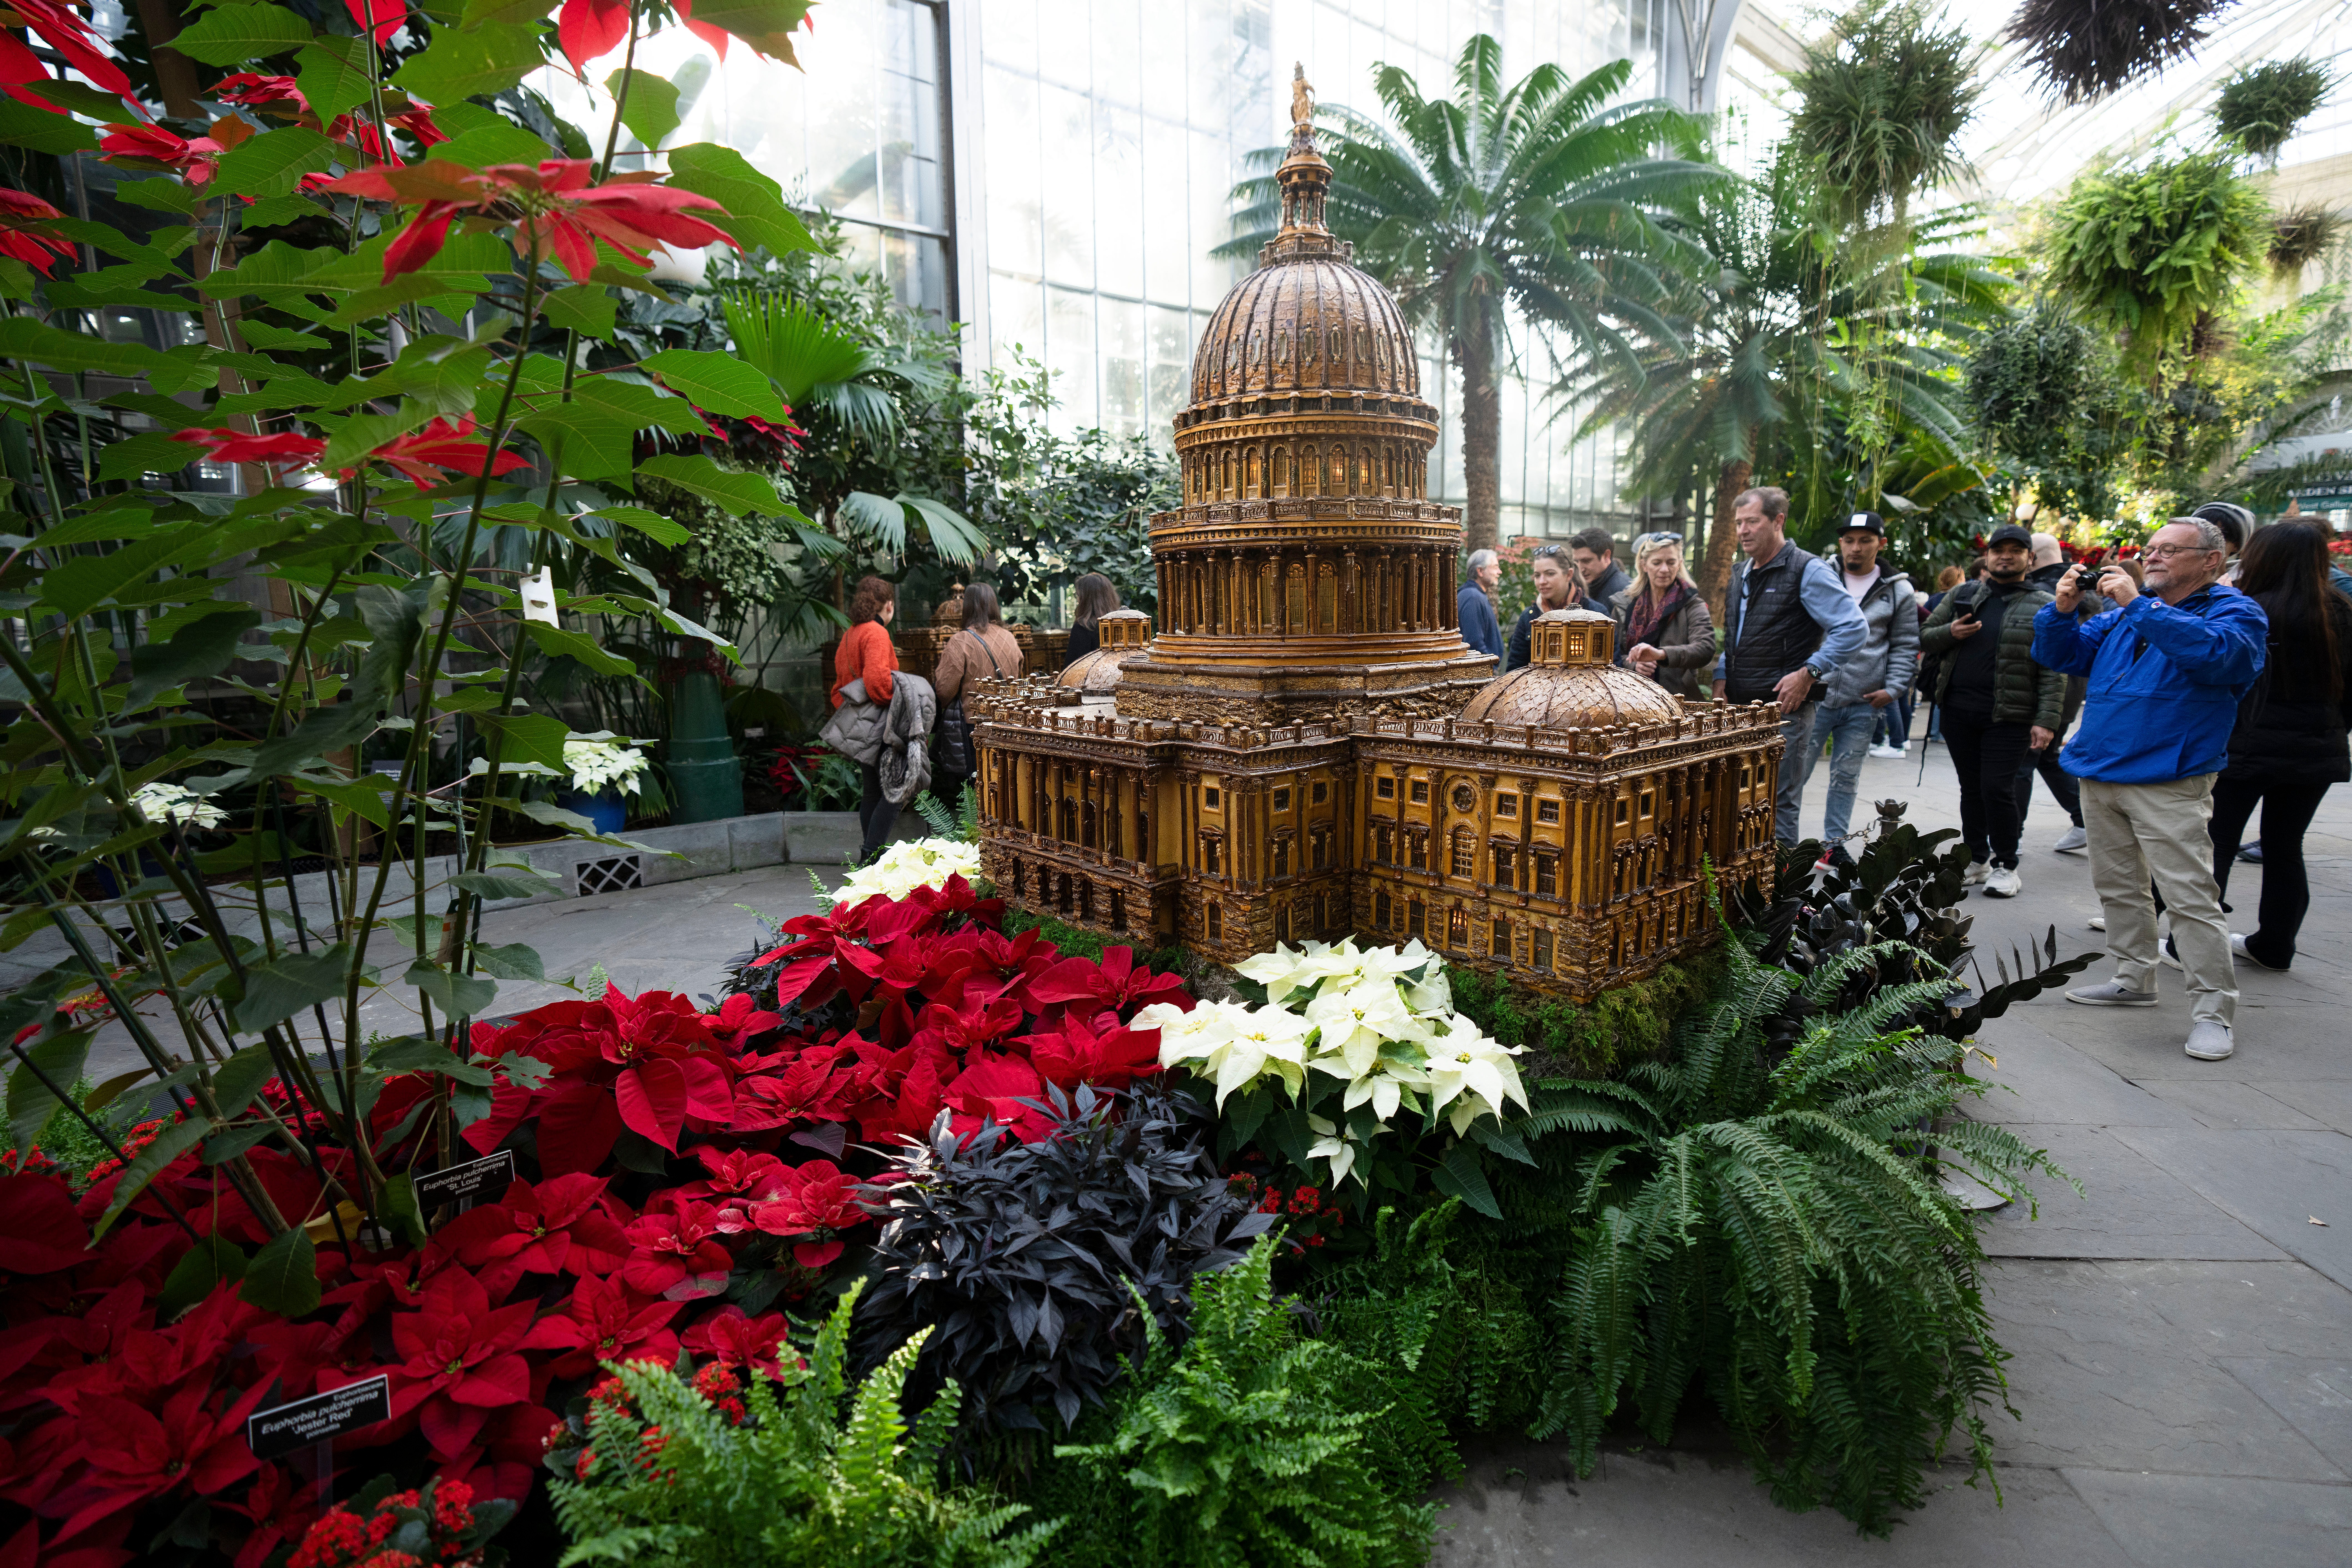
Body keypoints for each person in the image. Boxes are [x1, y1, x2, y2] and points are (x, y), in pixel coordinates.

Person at [2033, 517, 2268, 1062]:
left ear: (2211, 560)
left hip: (2170, 775)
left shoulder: (2235, 611)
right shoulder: (2123, 614)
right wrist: (2062, 609)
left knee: (2189, 896)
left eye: (2169, 549)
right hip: (2101, 767)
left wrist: (2141, 606)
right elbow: (2060, 655)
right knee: (2116, 885)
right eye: (2150, 548)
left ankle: (2213, 1011)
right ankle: (2133, 977)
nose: (2153, 556)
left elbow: (2218, 658)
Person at [2197, 520, 2352, 972]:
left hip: (2245, 743)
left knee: (2217, 842)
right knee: (2286, 847)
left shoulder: (2247, 610)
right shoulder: (2342, 612)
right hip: (2317, 749)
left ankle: (2195, 946)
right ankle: (2276, 946)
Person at [1712, 486, 1868, 844]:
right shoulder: (1741, 572)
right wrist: (1722, 673)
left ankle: (1780, 896)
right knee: (1737, 802)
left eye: (1753, 521)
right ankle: (1742, 894)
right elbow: (1736, 635)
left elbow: (1854, 627)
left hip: (1786, 711)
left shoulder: (1807, 570)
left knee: (1777, 804)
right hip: (1740, 707)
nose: (1743, 531)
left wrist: (1810, 672)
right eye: (1739, 523)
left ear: (1778, 521)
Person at [1917, 524, 2063, 897]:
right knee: (1971, 789)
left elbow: (2053, 668)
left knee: (1997, 788)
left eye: (2016, 550)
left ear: (2029, 559)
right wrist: (1952, 631)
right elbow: (1925, 637)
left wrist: (2046, 720)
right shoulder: (1964, 594)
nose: (2005, 555)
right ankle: (1976, 859)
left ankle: (2006, 864)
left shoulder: (2044, 604)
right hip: (1957, 710)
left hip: (2010, 716)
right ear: (1987, 556)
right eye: (1999, 549)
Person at [1806, 511, 1919, 862]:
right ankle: (1777, 845)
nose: (1856, 548)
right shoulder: (1821, 577)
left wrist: (1894, 688)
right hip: (1815, 696)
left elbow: (1905, 644)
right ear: (1841, 543)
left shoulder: (1898, 590)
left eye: (1866, 540)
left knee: (1846, 777)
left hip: (1863, 701)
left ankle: (1833, 846)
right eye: (1850, 540)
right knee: (1792, 774)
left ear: (1881, 544)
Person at [2020, 532, 2090, 854]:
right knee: (2046, 758)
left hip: (2050, 692)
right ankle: (2085, 819)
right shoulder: (2079, 584)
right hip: (2071, 690)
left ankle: (2010, 836)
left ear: (2031, 556)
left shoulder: (2047, 590)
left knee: (2023, 762)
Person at [831, 575, 902, 865]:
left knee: (873, 791)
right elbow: (876, 681)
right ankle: (870, 855)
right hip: (880, 724)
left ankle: (872, 858)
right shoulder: (876, 633)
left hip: (860, 725)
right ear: (888, 605)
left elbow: (838, 689)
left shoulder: (850, 634)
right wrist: (895, 700)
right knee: (896, 788)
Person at [932, 582, 1024, 805]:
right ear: (994, 605)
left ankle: (979, 834)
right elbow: (1019, 677)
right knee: (1006, 780)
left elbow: (944, 689)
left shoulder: (961, 641)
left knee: (978, 784)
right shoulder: (1010, 638)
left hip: (973, 726)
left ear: (967, 608)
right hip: (1008, 723)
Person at [1612, 535, 1715, 699]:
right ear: (1644, 565)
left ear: (1680, 564)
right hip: (1630, 698)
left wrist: (1661, 655)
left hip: (1678, 700)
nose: (1664, 570)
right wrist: (1633, 665)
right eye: (1657, 563)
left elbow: (1705, 648)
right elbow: (1611, 655)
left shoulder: (1692, 604)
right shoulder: (1625, 605)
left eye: (1671, 562)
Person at [1504, 544, 1586, 672]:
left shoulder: (1595, 612)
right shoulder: (1529, 617)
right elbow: (1515, 670)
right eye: (1537, 575)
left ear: (1569, 575)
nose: (1542, 581)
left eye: (1550, 574)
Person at [1061, 573, 1119, 667]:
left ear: (1086, 599)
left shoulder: (1084, 627)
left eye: (1078, 596)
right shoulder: (1120, 625)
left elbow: (1071, 669)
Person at [1458, 548, 1504, 661]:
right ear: (1480, 571)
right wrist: (1490, 664)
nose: (1500, 572)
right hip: (1482, 670)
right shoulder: (1473, 597)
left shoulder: (1473, 595)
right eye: (1495, 567)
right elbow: (1474, 643)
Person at [1570, 527, 1630, 604]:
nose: (1580, 569)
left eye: (1587, 561)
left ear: (1606, 556)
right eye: (1576, 562)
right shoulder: (1577, 588)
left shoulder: (1625, 592)